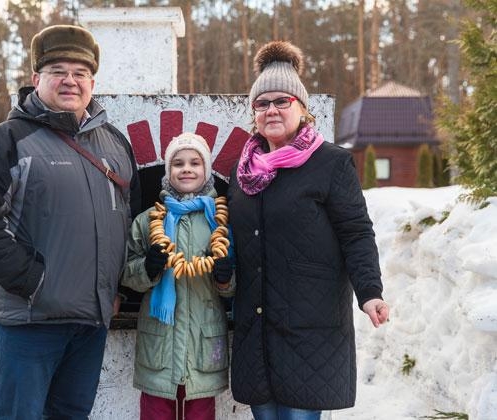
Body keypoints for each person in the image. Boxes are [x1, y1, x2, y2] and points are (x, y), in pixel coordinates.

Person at [0, 25, 140, 419]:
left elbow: (129, 221)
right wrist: (31, 281)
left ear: (92, 83)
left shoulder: (114, 144)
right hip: (30, 322)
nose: (70, 80)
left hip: (90, 323)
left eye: (80, 72)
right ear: (37, 78)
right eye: (58, 71)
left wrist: (119, 288)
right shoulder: (8, 140)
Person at [227, 40, 390, 420]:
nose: (271, 110)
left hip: (310, 328)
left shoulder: (331, 163)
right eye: (262, 103)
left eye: (281, 101)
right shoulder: (242, 172)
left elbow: (356, 232)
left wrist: (370, 292)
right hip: (256, 329)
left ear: (302, 107)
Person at [123, 132, 234, 420]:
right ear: (167, 171)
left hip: (202, 344)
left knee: (201, 414)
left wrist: (226, 278)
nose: (186, 169)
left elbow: (237, 283)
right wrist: (147, 269)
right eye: (178, 163)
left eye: (195, 163)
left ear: (206, 170)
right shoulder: (148, 221)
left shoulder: (220, 223)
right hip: (159, 345)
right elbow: (125, 271)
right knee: (155, 413)